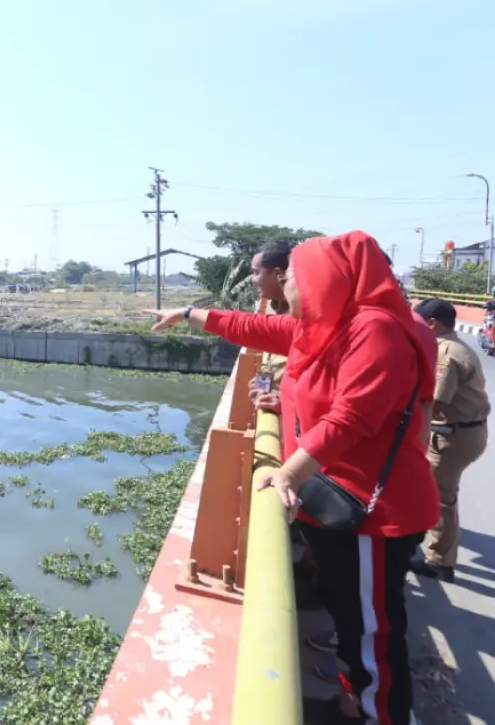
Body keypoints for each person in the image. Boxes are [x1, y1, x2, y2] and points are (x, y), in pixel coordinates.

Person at [147, 230, 438, 725]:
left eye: (295, 277)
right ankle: (354, 698)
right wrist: (192, 314)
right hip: (340, 497)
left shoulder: (374, 330)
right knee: (351, 617)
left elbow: (352, 417)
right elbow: (257, 329)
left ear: (329, 277)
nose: (288, 287)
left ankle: (381, 713)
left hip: (373, 510)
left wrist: (289, 469)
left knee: (371, 629)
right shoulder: (332, 325)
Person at [410, 298, 491, 582]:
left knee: (440, 496)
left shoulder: (445, 352)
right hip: (465, 431)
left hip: (454, 435)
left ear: (432, 324)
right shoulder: (454, 346)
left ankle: (439, 561)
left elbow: (434, 402)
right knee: (441, 491)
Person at [249, 241, 292, 413]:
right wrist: (262, 383)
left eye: (256, 272)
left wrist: (288, 402)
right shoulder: (277, 308)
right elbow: (277, 362)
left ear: (277, 274)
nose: (253, 279)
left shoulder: (302, 316)